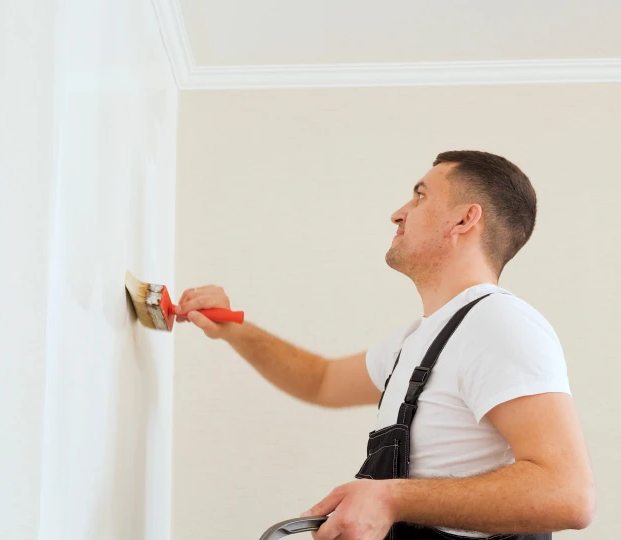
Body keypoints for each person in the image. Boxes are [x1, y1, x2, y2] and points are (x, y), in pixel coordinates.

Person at [175, 150, 595, 540]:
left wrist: (390, 497)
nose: (398, 214)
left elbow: (567, 493)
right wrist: (231, 328)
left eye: (419, 196)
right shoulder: (416, 340)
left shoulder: (499, 324)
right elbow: (320, 381)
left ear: (465, 220)